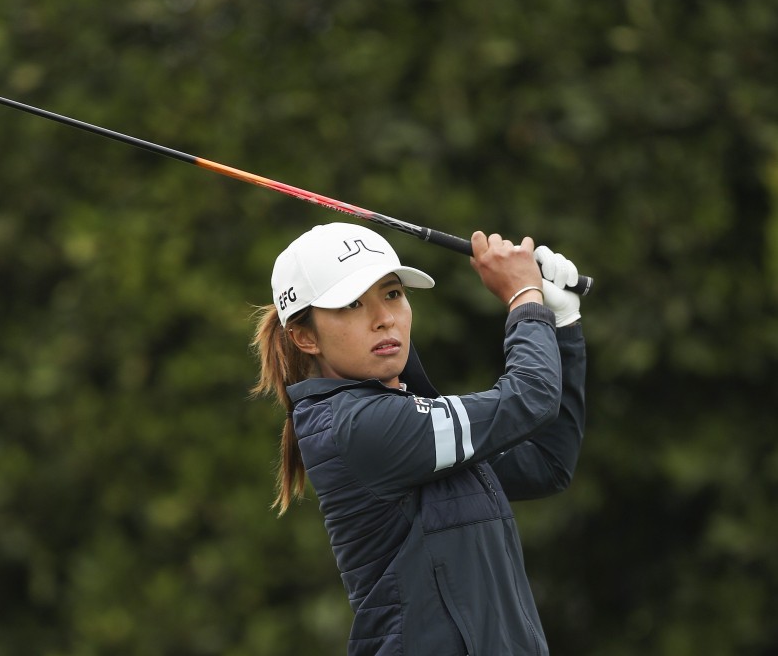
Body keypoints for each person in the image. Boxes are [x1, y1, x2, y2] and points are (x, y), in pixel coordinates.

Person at [251, 222, 586, 655]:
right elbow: (530, 397)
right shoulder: (361, 426)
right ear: (305, 336)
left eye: (392, 294)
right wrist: (524, 297)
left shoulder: (404, 418)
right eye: (352, 304)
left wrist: (563, 324)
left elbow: (546, 464)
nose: (383, 318)